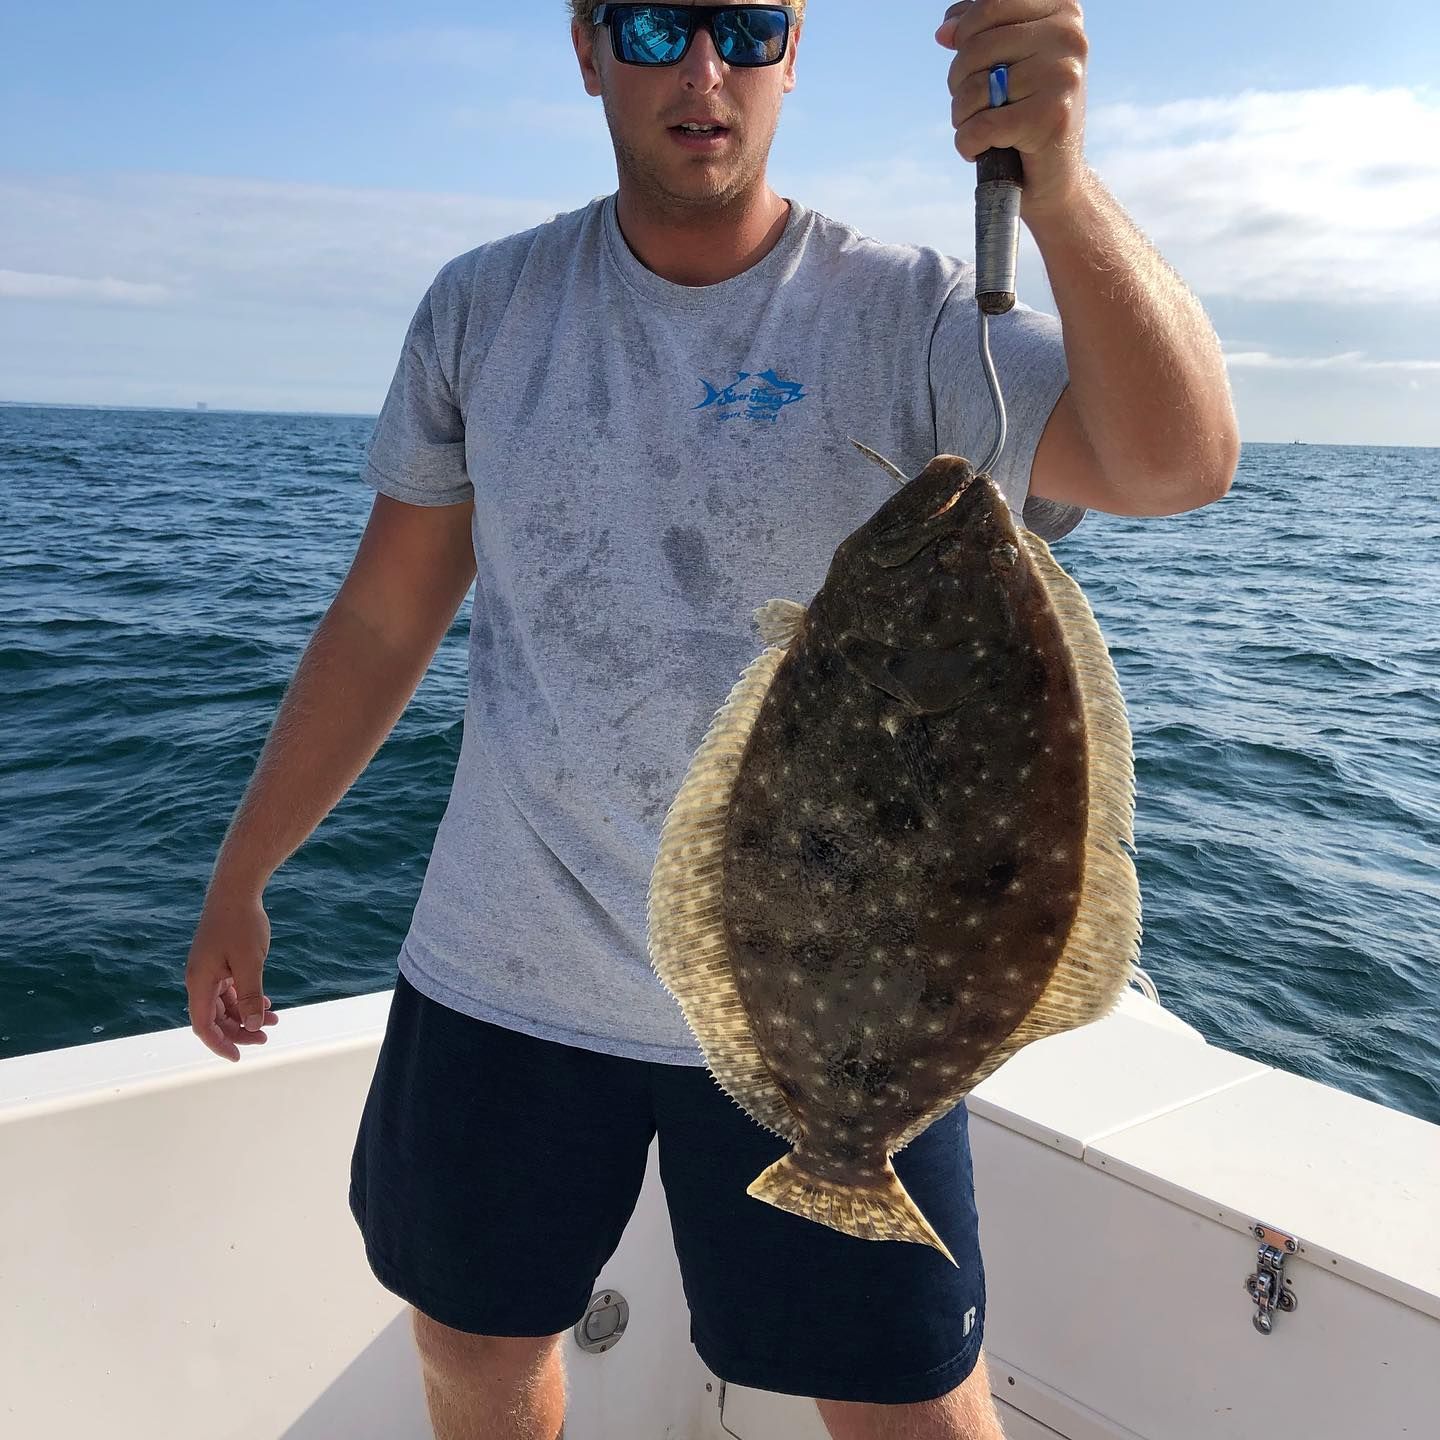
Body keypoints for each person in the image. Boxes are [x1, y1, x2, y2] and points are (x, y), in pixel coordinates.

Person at [186, 2, 1238, 1436]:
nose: (704, 72)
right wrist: (245, 871)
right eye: (655, 23)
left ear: (795, 54)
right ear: (584, 45)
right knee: (477, 1356)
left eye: (747, 30)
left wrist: (1055, 184)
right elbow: (384, 619)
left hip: (856, 994)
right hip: (511, 970)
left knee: (906, 1408)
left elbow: (1177, 460)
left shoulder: (923, 316)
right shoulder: (485, 311)